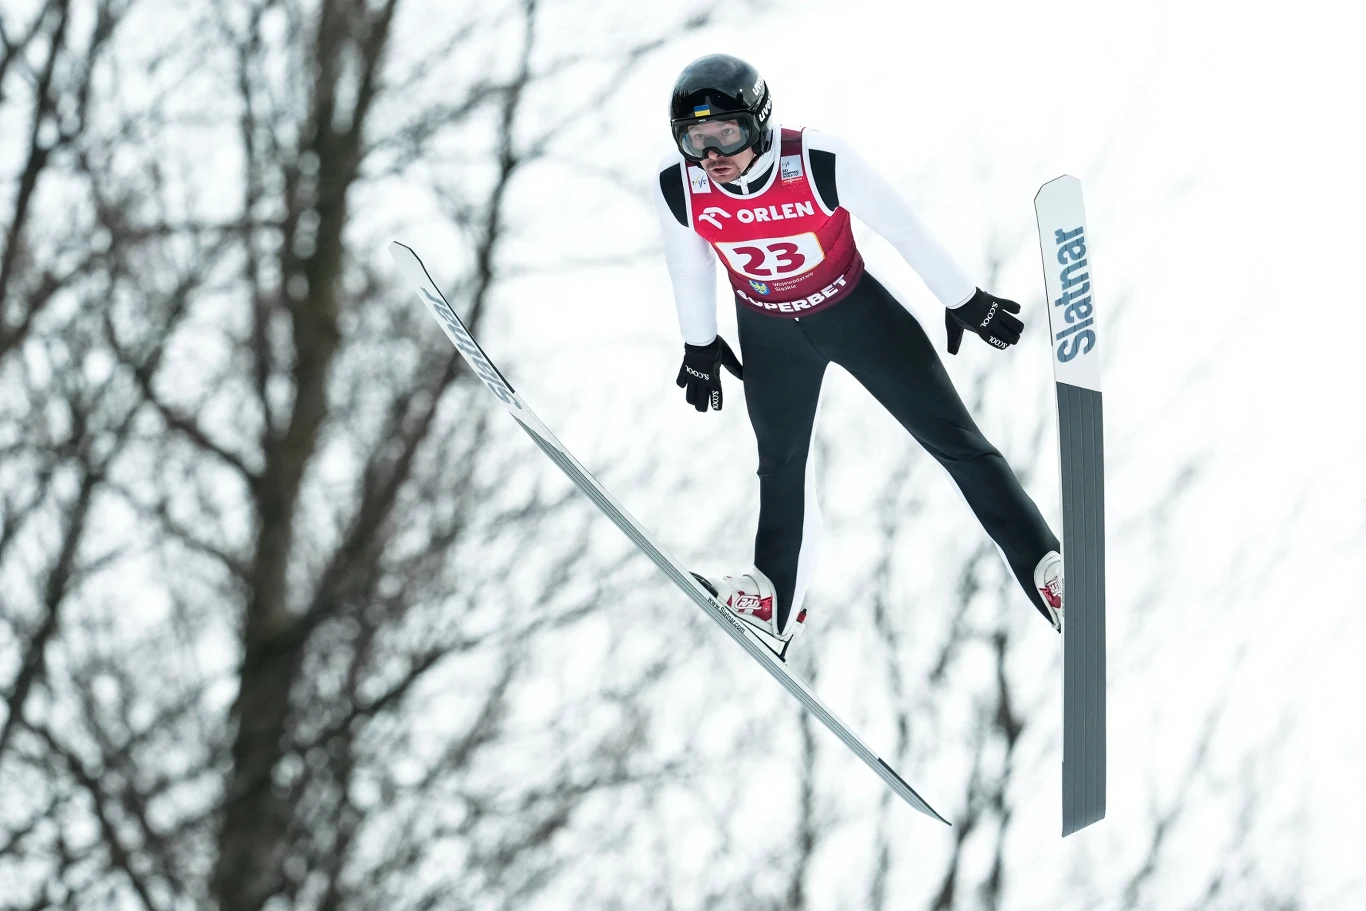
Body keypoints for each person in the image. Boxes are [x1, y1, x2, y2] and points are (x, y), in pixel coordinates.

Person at [653, 54, 1064, 645]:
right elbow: (687, 266)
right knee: (780, 464)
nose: (713, 153)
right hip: (769, 332)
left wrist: (964, 299)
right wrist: (699, 346)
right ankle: (773, 599)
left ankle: (1047, 568)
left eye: (728, 133)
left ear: (759, 124)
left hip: (856, 315)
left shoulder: (818, 159)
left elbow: (903, 229)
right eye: (696, 139)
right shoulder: (679, 183)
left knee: (955, 439)